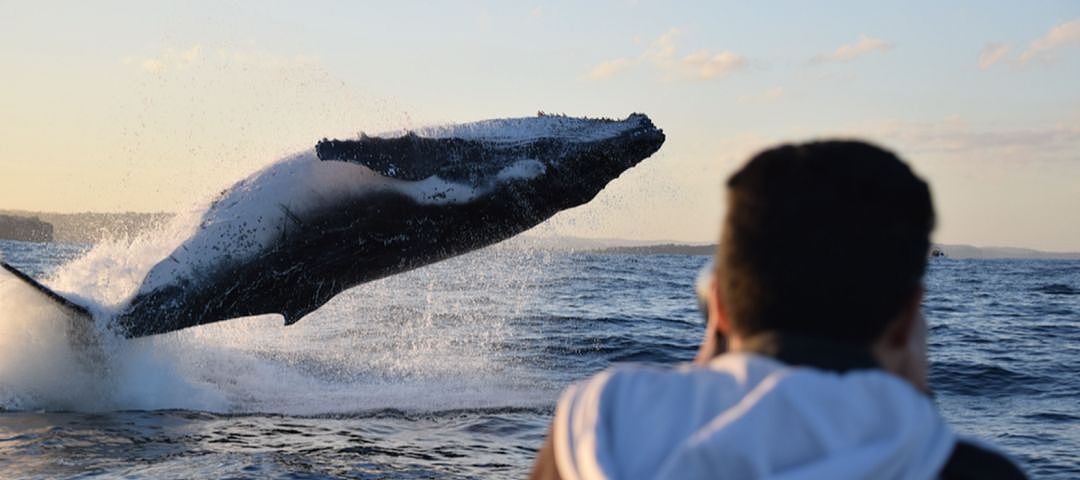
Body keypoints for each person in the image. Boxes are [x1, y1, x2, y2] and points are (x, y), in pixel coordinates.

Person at [529, 141, 1026, 479]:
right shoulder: (957, 465)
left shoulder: (598, 428)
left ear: (718, 304)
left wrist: (712, 366)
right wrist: (910, 392)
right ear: (907, 318)